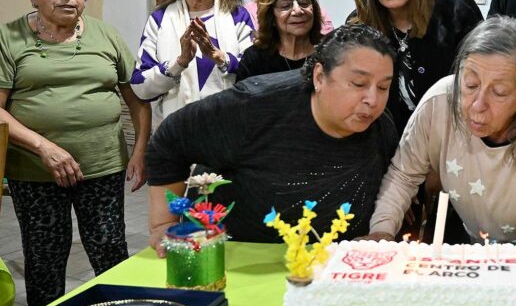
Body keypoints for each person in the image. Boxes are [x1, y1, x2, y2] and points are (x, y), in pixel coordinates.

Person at [145, 24, 398, 254]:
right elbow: (169, 140)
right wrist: (163, 223)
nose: (372, 100)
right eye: (358, 83)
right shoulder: (255, 105)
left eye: (383, 87)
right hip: (232, 261)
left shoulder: (380, 128)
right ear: (320, 76)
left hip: (328, 274)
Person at [0, 0, 151, 306]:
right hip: (34, 171)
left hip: (103, 165)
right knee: (43, 256)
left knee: (110, 248)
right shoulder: (9, 38)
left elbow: (138, 98)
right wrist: (44, 147)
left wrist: (141, 149)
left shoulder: (106, 35)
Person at [367, 17, 516, 244]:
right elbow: (403, 176)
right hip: (473, 253)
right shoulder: (439, 103)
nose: (478, 105)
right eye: (469, 85)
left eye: (499, 92)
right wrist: (381, 231)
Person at [349, 0, 483, 135]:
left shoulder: (457, 11)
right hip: (384, 149)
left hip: (452, 144)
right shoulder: (358, 26)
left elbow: (481, 84)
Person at [130, 0, 254, 128]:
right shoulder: (160, 19)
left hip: (230, 132)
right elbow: (139, 87)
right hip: (176, 135)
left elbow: (256, 75)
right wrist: (179, 63)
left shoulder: (237, 16)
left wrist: (219, 57)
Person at [236, 0, 323, 80]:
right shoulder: (255, 59)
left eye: (303, 2)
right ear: (271, 16)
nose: (298, 10)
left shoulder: (331, 52)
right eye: (285, 5)